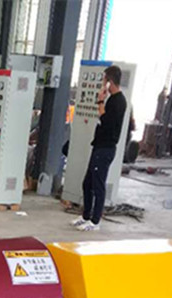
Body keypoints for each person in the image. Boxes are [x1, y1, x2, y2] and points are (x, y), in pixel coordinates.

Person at [71, 65, 127, 232]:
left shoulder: (118, 101)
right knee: (87, 183)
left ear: (110, 81)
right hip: (99, 146)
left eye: (104, 80)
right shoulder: (113, 99)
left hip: (105, 148)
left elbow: (106, 120)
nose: (103, 83)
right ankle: (86, 216)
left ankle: (95, 221)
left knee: (98, 185)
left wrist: (100, 101)